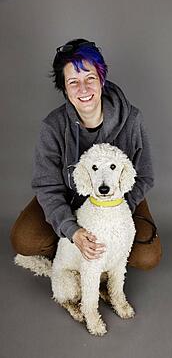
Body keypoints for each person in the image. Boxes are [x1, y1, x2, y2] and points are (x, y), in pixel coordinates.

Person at [10, 38, 162, 271]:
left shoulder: (132, 120)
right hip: (68, 197)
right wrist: (73, 230)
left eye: (90, 78)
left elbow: (144, 176)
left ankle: (106, 260)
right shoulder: (52, 127)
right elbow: (47, 185)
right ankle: (73, 254)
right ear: (64, 88)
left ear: (101, 80)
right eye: (73, 82)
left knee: (146, 258)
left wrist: (117, 211)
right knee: (25, 240)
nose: (83, 89)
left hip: (119, 199)